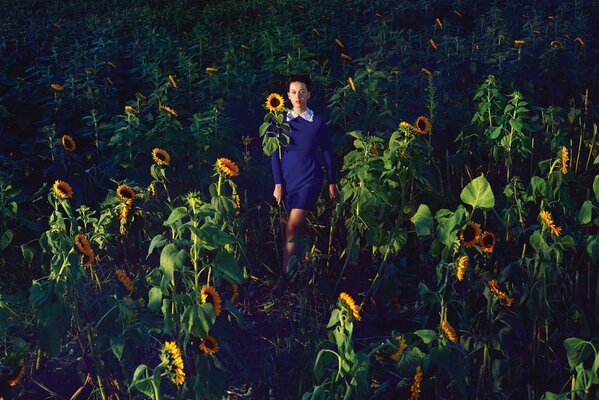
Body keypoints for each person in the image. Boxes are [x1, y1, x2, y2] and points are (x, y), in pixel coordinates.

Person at [271, 74, 339, 276]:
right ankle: (305, 271)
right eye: (293, 92)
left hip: (310, 180)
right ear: (288, 96)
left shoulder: (316, 122)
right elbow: (274, 155)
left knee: (292, 227)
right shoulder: (280, 121)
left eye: (302, 91)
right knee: (298, 231)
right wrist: (278, 184)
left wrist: (332, 182)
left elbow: (327, 152)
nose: (298, 96)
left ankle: (285, 278)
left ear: (309, 94)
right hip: (288, 181)